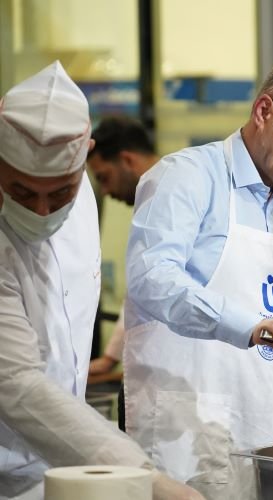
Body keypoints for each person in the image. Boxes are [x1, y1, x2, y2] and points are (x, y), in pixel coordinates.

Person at [123, 56, 273, 499]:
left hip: (266, 431)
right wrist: (248, 325)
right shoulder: (188, 176)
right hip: (186, 429)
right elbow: (151, 277)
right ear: (265, 111)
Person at [0, 62, 202, 500]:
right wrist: (141, 475)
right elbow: (14, 380)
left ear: (86, 155)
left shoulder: (88, 199)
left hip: (68, 462)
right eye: (20, 192)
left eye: (58, 194)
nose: (39, 210)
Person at [86, 117, 160, 377]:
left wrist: (109, 359)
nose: (105, 191)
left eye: (104, 177)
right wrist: (109, 357)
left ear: (127, 160)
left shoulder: (172, 200)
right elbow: (141, 289)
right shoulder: (151, 203)